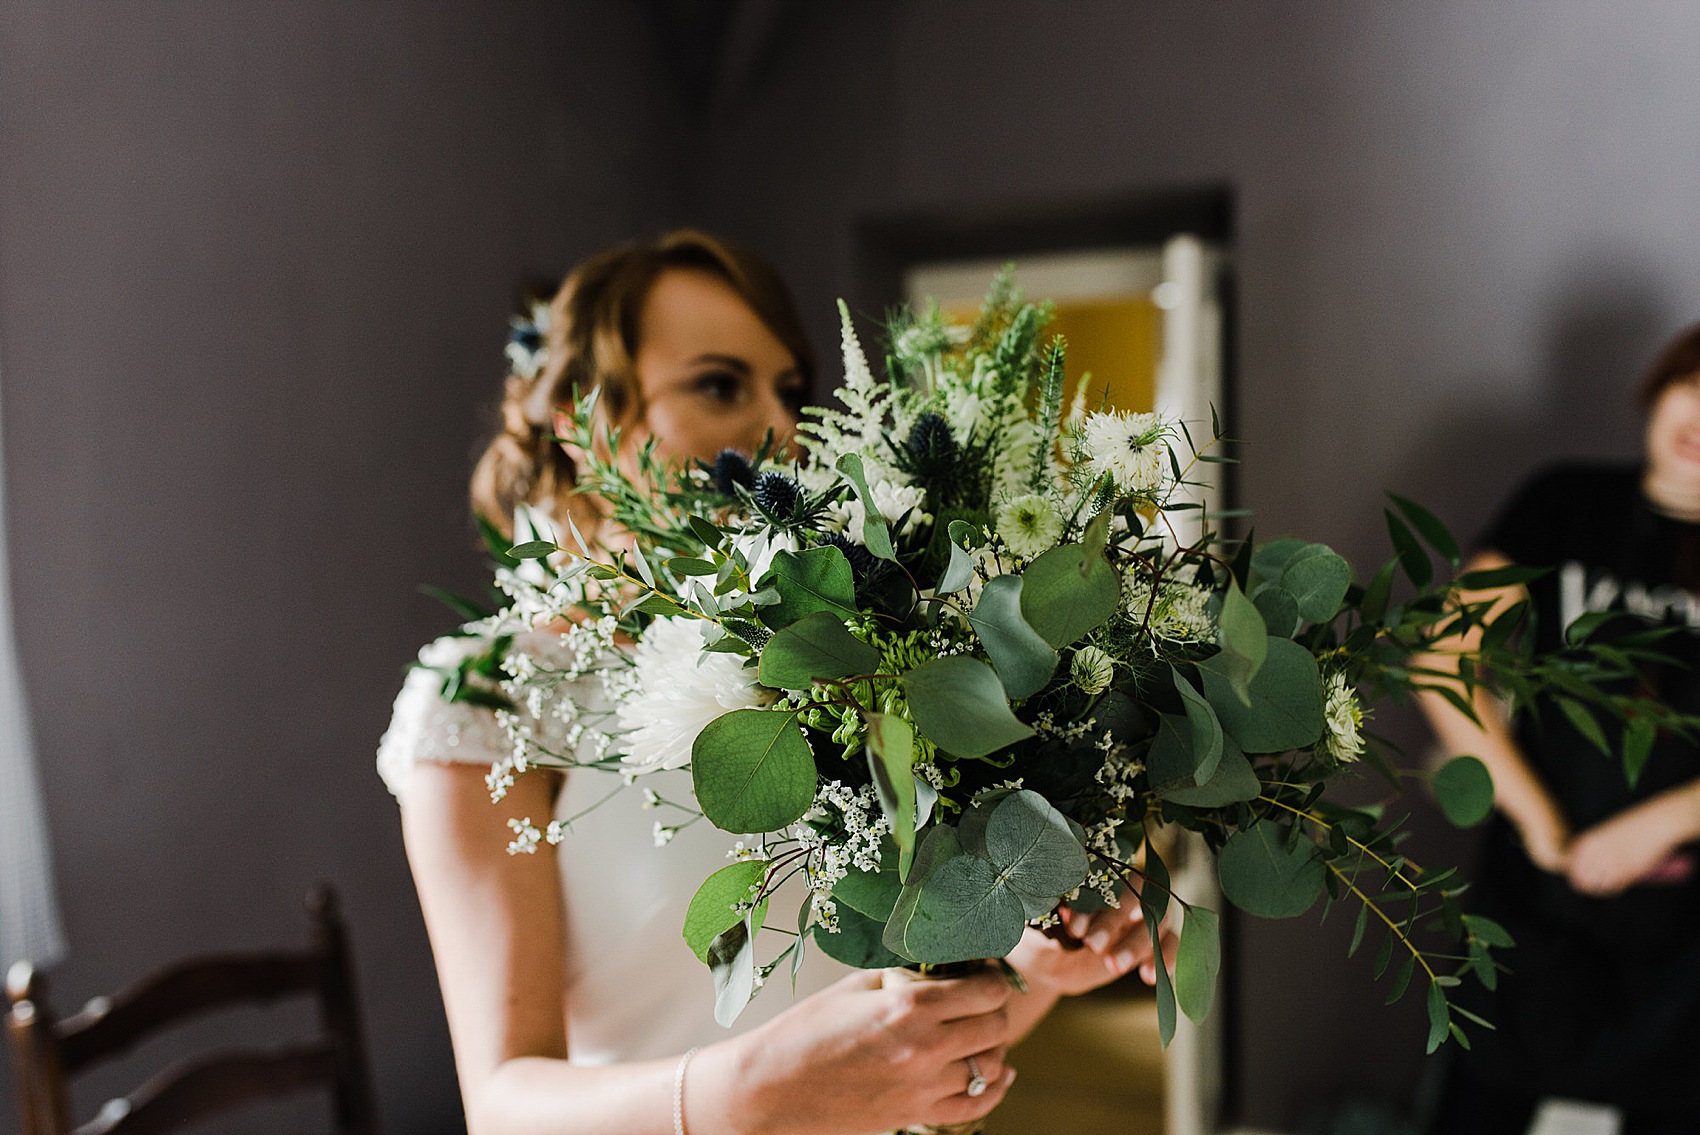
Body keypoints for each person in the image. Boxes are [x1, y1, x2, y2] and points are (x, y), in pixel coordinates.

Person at [378, 230, 1171, 1135]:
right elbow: (503, 1106)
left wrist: (1037, 965)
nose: (779, 426)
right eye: (720, 383)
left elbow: (902, 1026)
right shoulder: (488, 697)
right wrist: (749, 1091)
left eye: (789, 390)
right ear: (582, 414)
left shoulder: (841, 642)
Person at [1418, 323, 1700, 1135]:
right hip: (1536, 893)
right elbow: (1444, 660)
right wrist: (1541, 825)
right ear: (1658, 387)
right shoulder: (1564, 501)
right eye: (1691, 383)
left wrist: (1666, 822)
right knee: (1476, 1109)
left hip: (1685, 931)